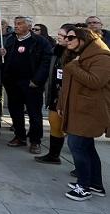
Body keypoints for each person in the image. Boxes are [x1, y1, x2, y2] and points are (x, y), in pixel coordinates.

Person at [58, 27, 110, 201]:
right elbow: (67, 84)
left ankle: (83, 186)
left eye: (71, 37)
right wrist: (60, 103)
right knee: (87, 148)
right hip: (76, 109)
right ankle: (95, 184)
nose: (67, 40)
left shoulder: (102, 57)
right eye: (66, 37)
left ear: (84, 39)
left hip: (89, 111)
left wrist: (74, 66)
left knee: (77, 147)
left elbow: (96, 82)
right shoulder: (77, 56)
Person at [1, 16, 52, 154]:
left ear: (29, 27)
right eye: (15, 24)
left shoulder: (40, 41)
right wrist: (2, 54)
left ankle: (35, 141)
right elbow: (5, 59)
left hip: (31, 83)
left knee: (34, 113)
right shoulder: (10, 40)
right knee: (15, 111)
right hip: (13, 83)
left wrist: (37, 80)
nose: (16, 26)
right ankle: (20, 136)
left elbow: (46, 61)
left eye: (20, 24)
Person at [35, 24, 75, 165]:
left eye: (63, 35)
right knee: (54, 124)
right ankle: (53, 155)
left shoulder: (74, 55)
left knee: (74, 133)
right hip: (55, 94)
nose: (59, 37)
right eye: (58, 34)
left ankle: (82, 167)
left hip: (68, 97)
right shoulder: (56, 51)